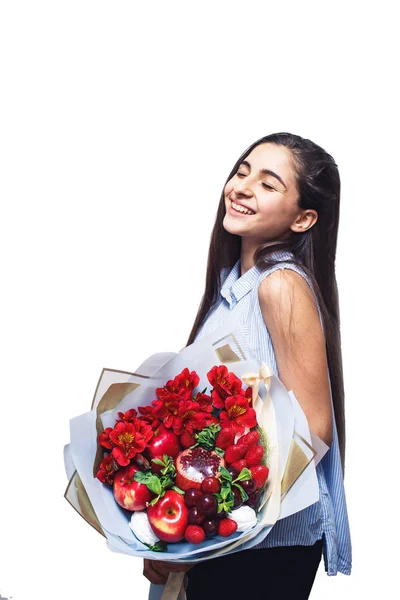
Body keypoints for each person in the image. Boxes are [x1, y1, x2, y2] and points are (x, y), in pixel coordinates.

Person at [144, 132, 352, 599]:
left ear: (304, 218)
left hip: (264, 544)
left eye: (268, 183)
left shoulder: (279, 286)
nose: (241, 186)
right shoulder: (232, 287)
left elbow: (313, 431)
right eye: (242, 171)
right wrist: (165, 522)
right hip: (226, 536)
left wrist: (203, 516)